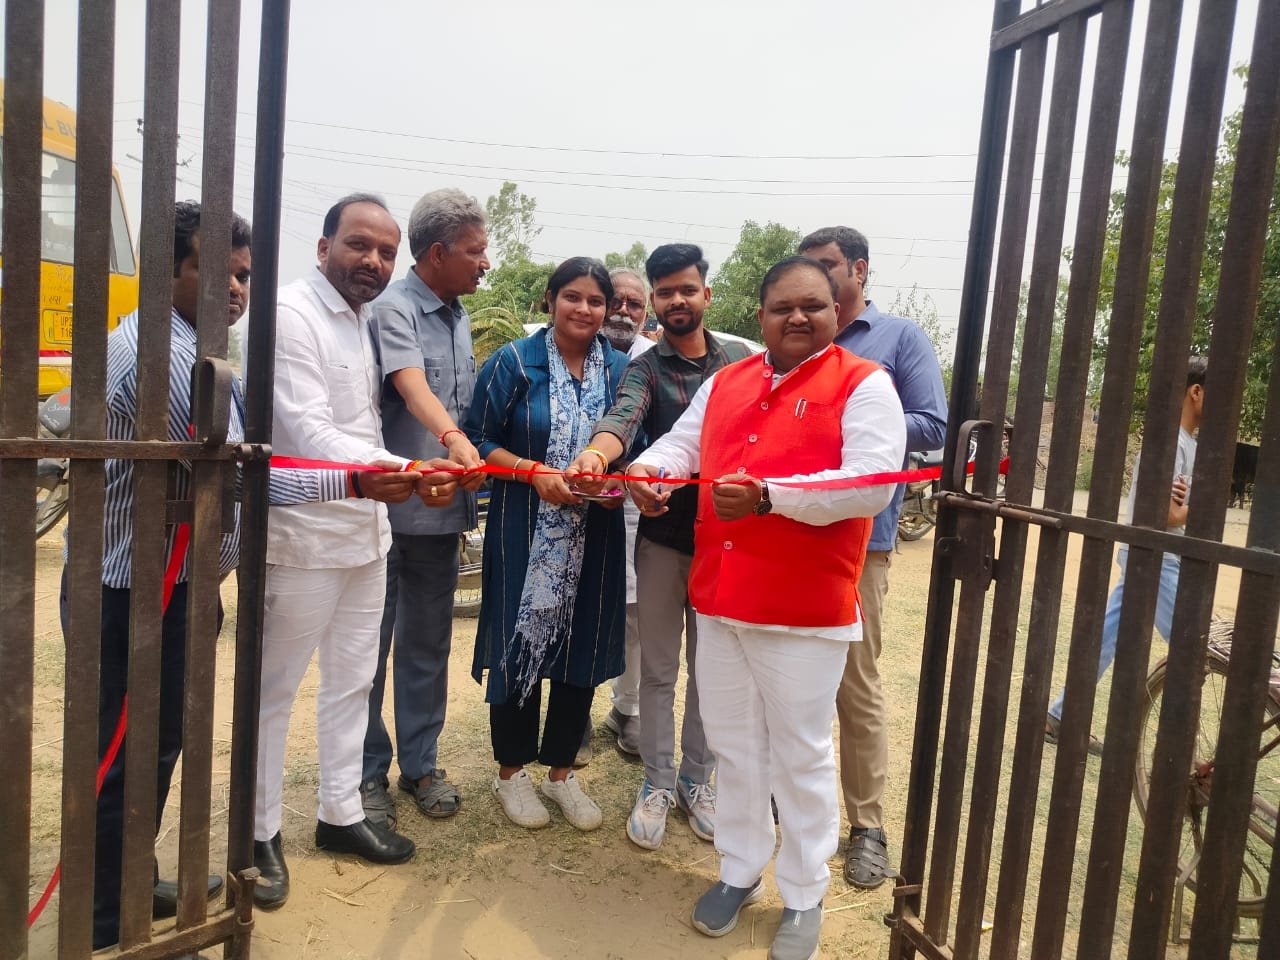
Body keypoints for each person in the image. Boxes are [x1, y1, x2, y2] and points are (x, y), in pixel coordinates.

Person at [78, 201, 427, 951]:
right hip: (142, 584)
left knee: (159, 740)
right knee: (141, 744)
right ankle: (116, 907)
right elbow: (246, 472)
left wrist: (371, 482)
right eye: (216, 272)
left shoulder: (199, 345)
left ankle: (130, 879)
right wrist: (368, 478)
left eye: (241, 273)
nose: (235, 288)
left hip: (185, 573)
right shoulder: (179, 358)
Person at [627, 256, 905, 960]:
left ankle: (805, 892)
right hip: (721, 599)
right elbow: (681, 444)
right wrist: (649, 471)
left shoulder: (866, 384)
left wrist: (770, 498)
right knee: (734, 747)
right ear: (761, 316)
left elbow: (871, 484)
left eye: (813, 305)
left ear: (838, 312)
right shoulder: (727, 381)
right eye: (783, 307)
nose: (798, 317)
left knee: (800, 757)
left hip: (803, 609)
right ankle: (740, 868)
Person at [254, 194, 461, 908]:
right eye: (359, 245)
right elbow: (307, 431)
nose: (373, 261)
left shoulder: (364, 318)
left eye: (385, 252)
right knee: (274, 692)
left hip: (368, 533)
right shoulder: (290, 315)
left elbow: (369, 419)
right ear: (324, 248)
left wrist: (409, 472)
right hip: (304, 538)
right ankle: (258, 834)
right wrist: (409, 469)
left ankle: (340, 813)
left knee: (352, 683)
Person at [566, 244, 752, 850]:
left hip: (726, 543)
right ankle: (657, 781)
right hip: (663, 541)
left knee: (711, 670)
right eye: (665, 291)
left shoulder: (742, 363)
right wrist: (597, 454)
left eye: (687, 289)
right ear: (654, 301)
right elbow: (623, 418)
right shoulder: (644, 369)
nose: (677, 300)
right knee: (658, 669)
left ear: (706, 295)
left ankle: (698, 779)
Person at [798, 225, 947, 889]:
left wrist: (849, 415)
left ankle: (867, 826)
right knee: (788, 677)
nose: (816, 278)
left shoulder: (899, 339)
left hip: (862, 539)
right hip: (788, 531)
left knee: (855, 684)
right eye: (807, 266)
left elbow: (935, 425)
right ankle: (792, 802)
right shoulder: (798, 335)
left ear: (859, 269)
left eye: (827, 265)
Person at [462, 257, 629, 832]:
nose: (584, 309)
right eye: (572, 297)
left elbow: (633, 445)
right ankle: (511, 772)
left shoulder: (621, 370)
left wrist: (612, 487)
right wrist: (532, 471)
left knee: (583, 646)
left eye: (596, 300)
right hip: (523, 529)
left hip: (596, 533)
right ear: (550, 300)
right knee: (519, 642)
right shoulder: (514, 362)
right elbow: (478, 438)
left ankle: (562, 773)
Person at [361, 189, 488, 828]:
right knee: (368, 650)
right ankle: (363, 774)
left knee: (426, 646)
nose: (485, 263)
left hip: (440, 515)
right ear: (438, 253)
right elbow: (412, 388)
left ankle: (420, 765)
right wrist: (456, 441)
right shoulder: (394, 308)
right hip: (386, 513)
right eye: (475, 251)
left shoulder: (459, 316)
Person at [1045, 356, 1205, 752]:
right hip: (1155, 557)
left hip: (1152, 555)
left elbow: (1178, 508)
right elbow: (1166, 513)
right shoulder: (1170, 442)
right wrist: (1201, 504)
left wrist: (1189, 505)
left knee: (1107, 636)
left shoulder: (1187, 444)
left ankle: (1061, 716)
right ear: (1196, 391)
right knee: (1192, 644)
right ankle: (1176, 750)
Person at [585, 267, 655, 763]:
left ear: (645, 313)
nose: (624, 312)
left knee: (634, 612)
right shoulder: (576, 349)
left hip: (634, 502)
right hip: (574, 493)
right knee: (575, 606)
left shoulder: (652, 362)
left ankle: (627, 709)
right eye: (617, 301)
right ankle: (573, 714)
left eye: (635, 304)